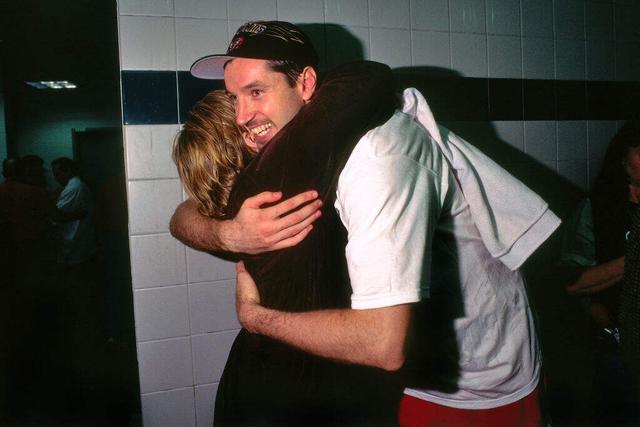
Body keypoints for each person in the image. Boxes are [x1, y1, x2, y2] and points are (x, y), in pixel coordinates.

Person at [172, 20, 560, 425]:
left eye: (256, 92)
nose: (241, 116)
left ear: (306, 84)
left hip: (473, 378)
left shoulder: (378, 159)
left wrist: (255, 317)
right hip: (406, 369)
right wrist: (228, 233)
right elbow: (185, 214)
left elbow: (382, 344)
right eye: (233, 97)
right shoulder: (307, 154)